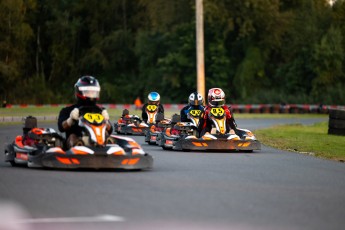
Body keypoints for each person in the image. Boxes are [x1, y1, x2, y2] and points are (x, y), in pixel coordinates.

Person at [57, 76, 113, 148]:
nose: (91, 94)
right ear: (79, 92)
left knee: (106, 133)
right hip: (76, 144)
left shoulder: (100, 110)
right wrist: (70, 120)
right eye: (88, 91)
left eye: (93, 91)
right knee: (72, 136)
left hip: (98, 142)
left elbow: (110, 130)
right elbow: (61, 127)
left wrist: (106, 121)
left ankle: (108, 146)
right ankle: (78, 146)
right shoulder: (67, 110)